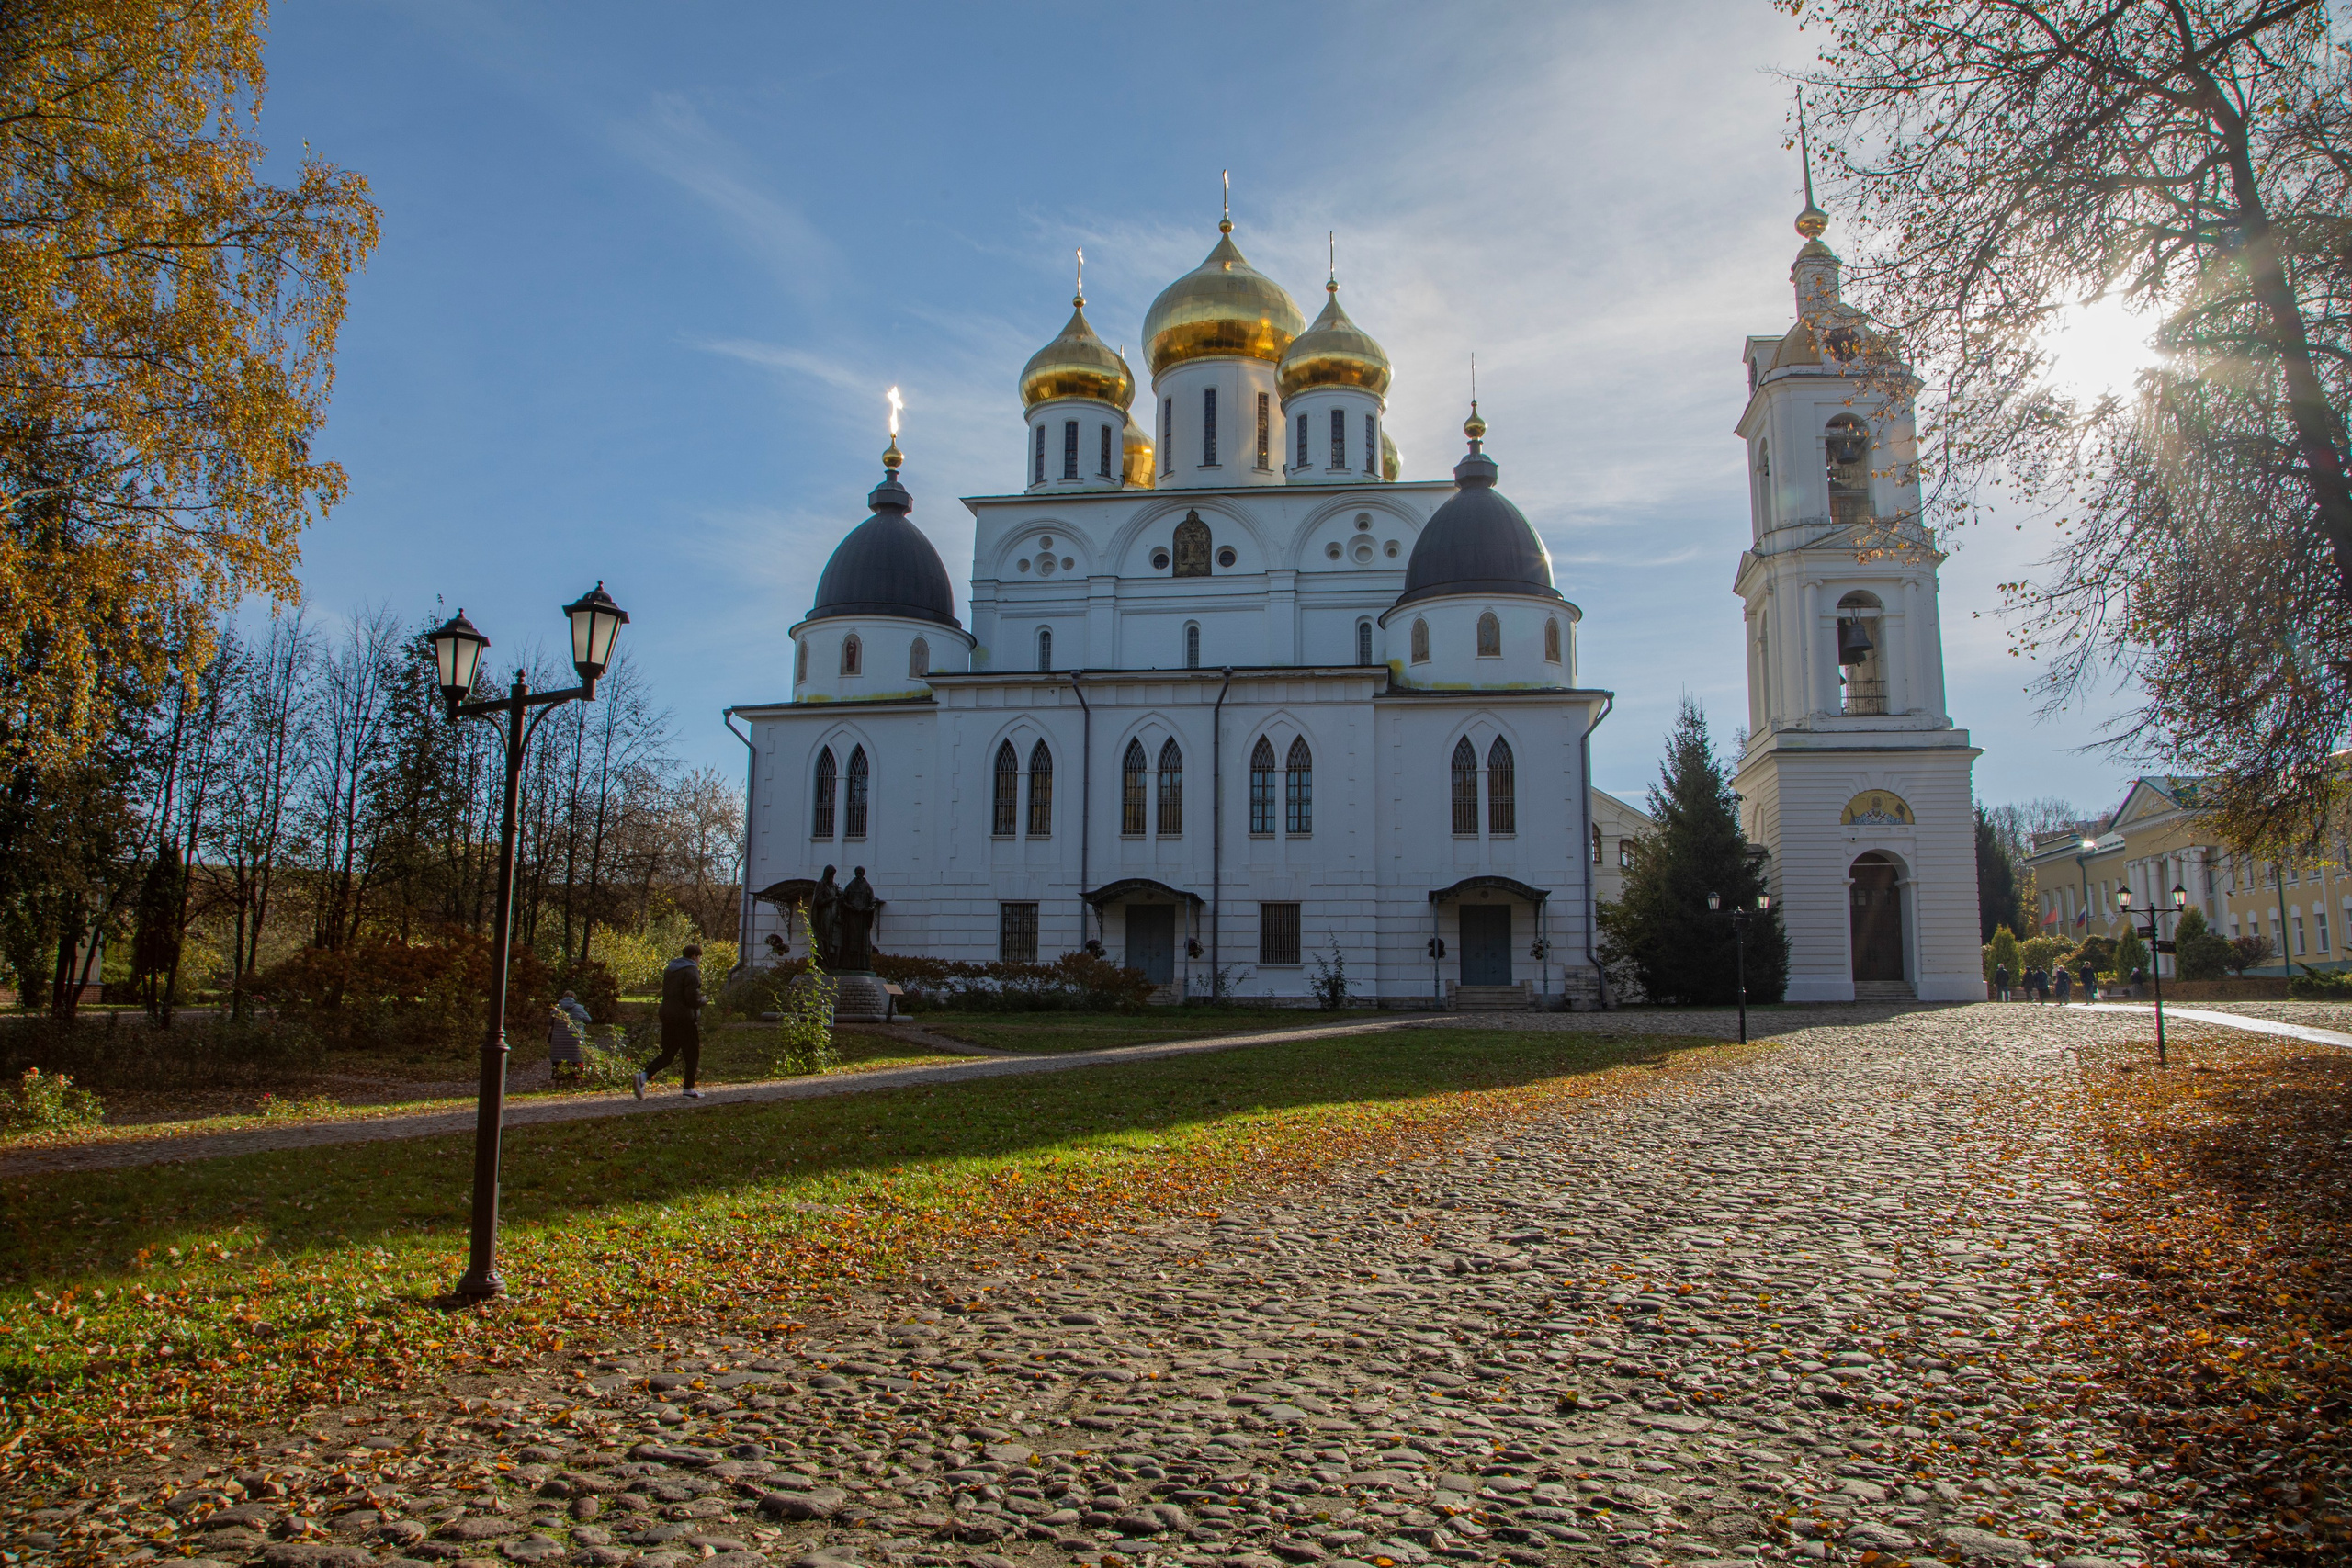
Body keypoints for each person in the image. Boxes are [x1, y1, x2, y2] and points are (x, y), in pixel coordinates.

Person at [636, 943, 707, 1100]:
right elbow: (692, 997)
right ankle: (688, 1088)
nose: (699, 961)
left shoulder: (671, 970)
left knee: (668, 1053)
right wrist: (703, 1000)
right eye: (699, 957)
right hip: (685, 1018)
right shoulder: (691, 970)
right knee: (692, 1053)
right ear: (694, 956)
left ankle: (644, 1076)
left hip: (668, 1015)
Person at [548, 991, 592, 1084]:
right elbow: (588, 1020)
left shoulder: (556, 1009)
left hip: (558, 1041)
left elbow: (549, 1022)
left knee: (558, 1058)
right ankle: (577, 1078)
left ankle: (558, 1077)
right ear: (574, 998)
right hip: (576, 1041)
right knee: (577, 1057)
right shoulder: (580, 1008)